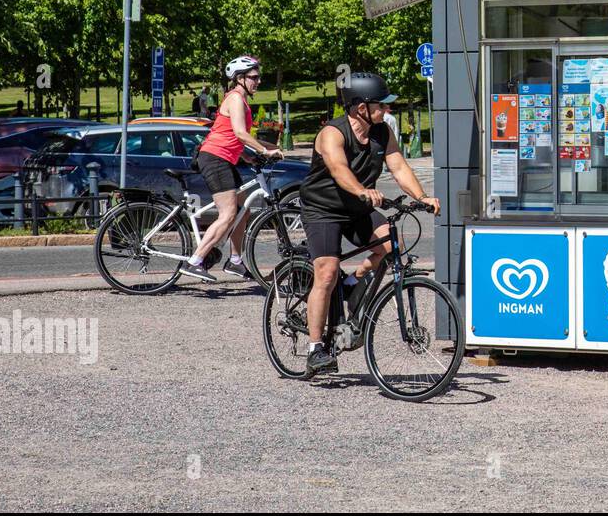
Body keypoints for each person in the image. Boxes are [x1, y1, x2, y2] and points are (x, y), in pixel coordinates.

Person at [299, 71, 439, 377]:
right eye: (381, 104)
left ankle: (352, 284)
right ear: (360, 106)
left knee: (390, 247)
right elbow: (338, 169)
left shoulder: (382, 132)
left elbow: (399, 166)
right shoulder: (332, 134)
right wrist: (362, 190)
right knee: (326, 271)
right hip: (324, 208)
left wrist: (422, 196)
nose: (387, 109)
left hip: (358, 207)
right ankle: (315, 349)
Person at [179, 56, 282, 282]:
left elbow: (231, 137)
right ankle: (194, 261)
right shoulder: (235, 98)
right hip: (215, 159)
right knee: (228, 214)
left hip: (225, 158)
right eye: (253, 77)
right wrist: (264, 151)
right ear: (240, 78)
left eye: (258, 77)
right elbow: (240, 134)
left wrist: (249, 157)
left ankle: (235, 261)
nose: (258, 81)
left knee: (243, 210)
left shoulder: (241, 100)